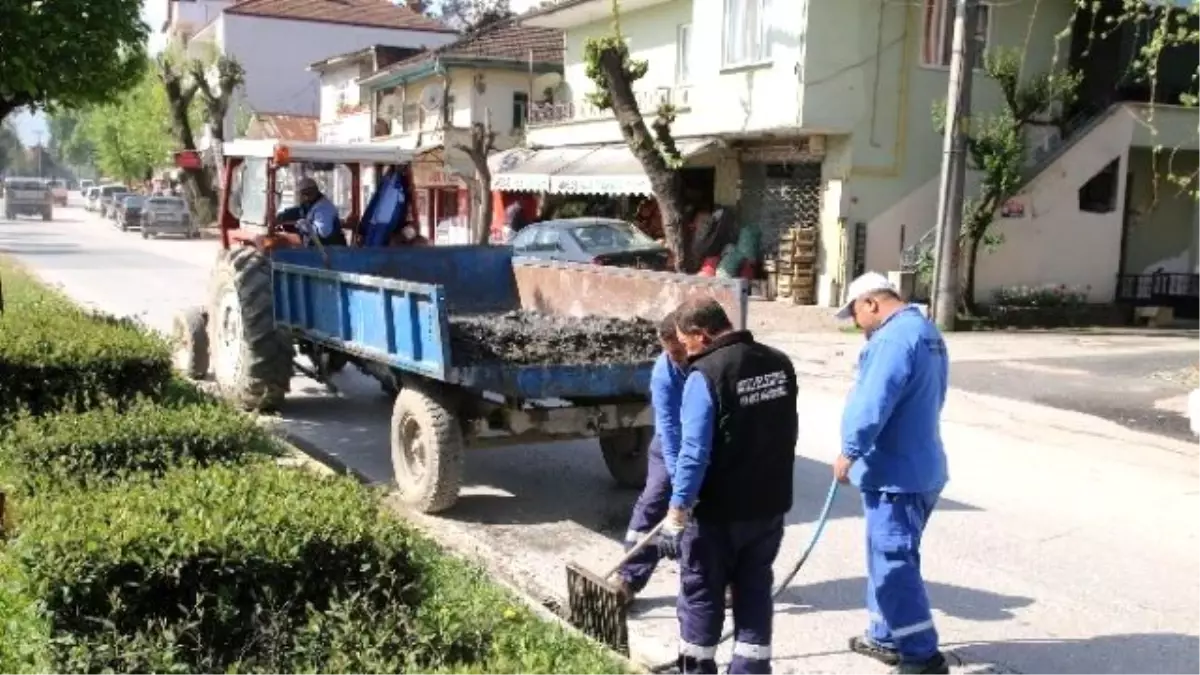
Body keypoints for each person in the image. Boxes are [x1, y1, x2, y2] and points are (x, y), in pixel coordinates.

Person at [660, 297, 798, 675]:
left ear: (701, 335)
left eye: (685, 342)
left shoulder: (705, 375)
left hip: (719, 514)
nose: (684, 352)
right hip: (769, 506)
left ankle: (696, 668)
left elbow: (693, 453)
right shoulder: (778, 363)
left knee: (702, 593)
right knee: (753, 591)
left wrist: (677, 511)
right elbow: (787, 431)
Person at [834, 272, 950, 675]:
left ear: (871, 303)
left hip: (898, 474)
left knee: (893, 563)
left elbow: (872, 403)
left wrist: (849, 450)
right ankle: (884, 635)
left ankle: (921, 655)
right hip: (918, 465)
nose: (855, 323)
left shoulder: (892, 339)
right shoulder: (926, 331)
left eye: (854, 313)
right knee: (889, 556)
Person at [610, 311, 687, 604]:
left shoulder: (707, 364)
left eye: (679, 351)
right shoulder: (664, 373)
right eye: (670, 352)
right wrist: (681, 481)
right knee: (654, 499)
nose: (676, 358)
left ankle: (723, 580)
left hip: (707, 445)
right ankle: (628, 579)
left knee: (714, 515)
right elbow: (667, 430)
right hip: (672, 445)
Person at [286, 177, 346, 247]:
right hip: (317, 250)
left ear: (315, 190)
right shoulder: (310, 204)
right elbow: (298, 211)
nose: (305, 197)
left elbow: (323, 232)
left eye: (308, 193)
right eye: (303, 194)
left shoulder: (324, 208)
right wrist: (282, 216)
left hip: (329, 250)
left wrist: (305, 226)